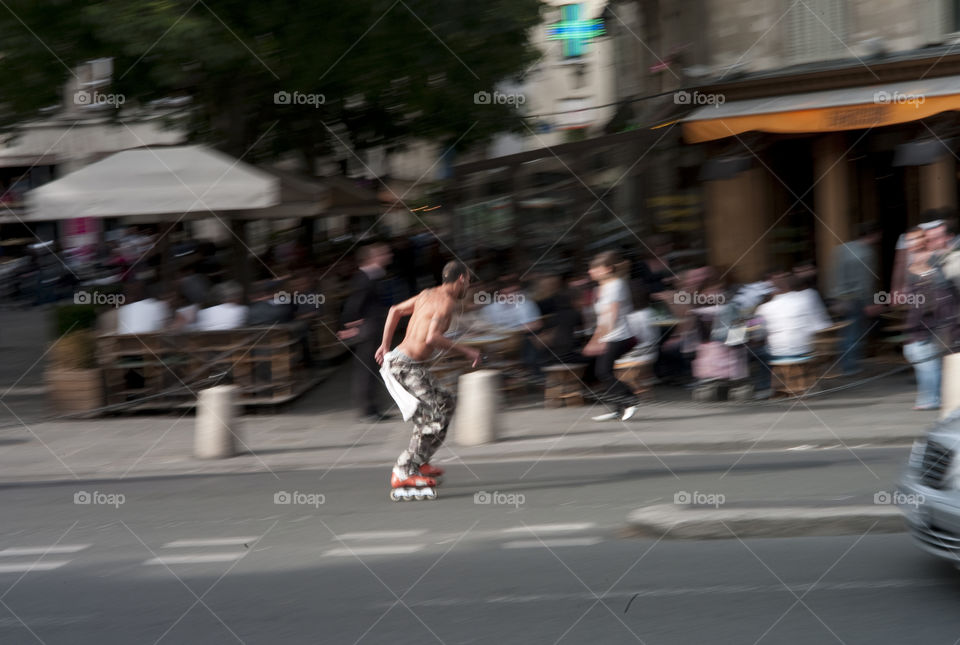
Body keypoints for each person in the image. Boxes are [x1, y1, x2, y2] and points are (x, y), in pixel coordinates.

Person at [375, 260, 481, 499]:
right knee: (434, 416)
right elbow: (432, 338)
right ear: (461, 279)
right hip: (405, 367)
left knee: (446, 402)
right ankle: (404, 470)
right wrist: (467, 351)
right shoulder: (447, 302)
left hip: (405, 363)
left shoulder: (426, 294)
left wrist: (385, 346)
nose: (469, 286)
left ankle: (420, 462)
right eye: (469, 281)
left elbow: (394, 311)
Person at [339, 243, 394, 422]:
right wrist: (350, 326)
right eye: (383, 253)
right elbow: (354, 305)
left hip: (371, 328)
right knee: (366, 370)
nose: (388, 256)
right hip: (367, 330)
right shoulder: (364, 278)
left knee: (372, 369)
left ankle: (372, 408)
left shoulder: (373, 276)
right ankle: (366, 410)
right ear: (372, 258)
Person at [584, 251, 641, 422]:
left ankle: (630, 399)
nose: (590, 271)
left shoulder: (616, 285)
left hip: (619, 336)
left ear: (608, 269)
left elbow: (612, 315)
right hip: (608, 336)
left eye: (595, 268)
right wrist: (596, 339)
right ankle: (618, 409)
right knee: (602, 372)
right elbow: (602, 317)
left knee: (603, 371)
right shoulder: (602, 287)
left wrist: (598, 340)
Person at [903, 244, 958, 410]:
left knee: (927, 362)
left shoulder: (935, 278)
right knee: (925, 360)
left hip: (931, 330)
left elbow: (926, 308)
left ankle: (931, 398)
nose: (916, 256)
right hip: (927, 330)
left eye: (921, 252)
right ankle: (932, 398)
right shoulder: (920, 278)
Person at [829, 223, 880, 375]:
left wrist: (833, 298)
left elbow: (833, 275)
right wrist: (869, 302)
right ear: (873, 235)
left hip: (840, 298)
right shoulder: (867, 253)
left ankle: (844, 363)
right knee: (854, 333)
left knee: (844, 332)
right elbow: (866, 281)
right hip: (856, 298)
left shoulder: (841, 249)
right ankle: (850, 366)